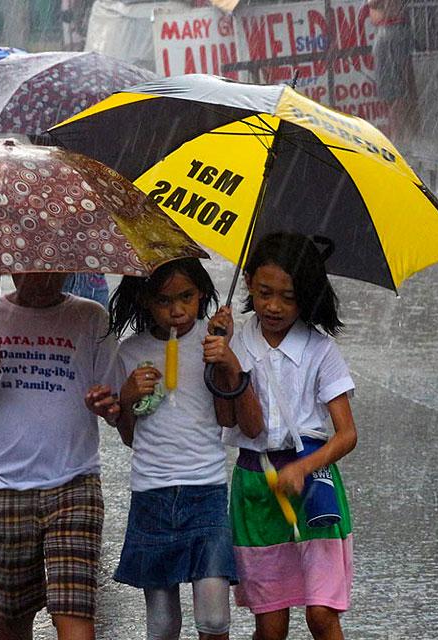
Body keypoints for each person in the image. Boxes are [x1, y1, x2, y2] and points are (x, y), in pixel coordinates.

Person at [84, 258, 259, 640]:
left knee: (214, 617)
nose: (177, 310)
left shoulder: (211, 344)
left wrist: (226, 362)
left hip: (206, 490)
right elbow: (129, 435)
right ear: (146, 300)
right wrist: (126, 397)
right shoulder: (131, 352)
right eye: (164, 301)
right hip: (152, 493)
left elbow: (228, 419)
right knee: (162, 623)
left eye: (187, 297)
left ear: (201, 295)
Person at [0, 272, 114, 640]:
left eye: (53, 270)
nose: (42, 279)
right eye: (32, 271)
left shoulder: (92, 318)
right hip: (5, 487)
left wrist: (108, 404)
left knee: (75, 611)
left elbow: (115, 404)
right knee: (13, 613)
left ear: (69, 268)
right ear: (12, 267)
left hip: (75, 482)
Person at [221, 232, 358, 640]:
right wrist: (225, 362)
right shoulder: (235, 342)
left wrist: (303, 467)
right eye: (265, 293)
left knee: (321, 613)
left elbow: (346, 434)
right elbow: (230, 419)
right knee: (271, 621)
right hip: (255, 487)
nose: (274, 306)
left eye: (288, 296)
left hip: (313, 486)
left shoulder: (320, 350)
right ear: (248, 283)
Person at [367, 0, 420, 144]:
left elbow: (373, 3)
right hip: (386, 29)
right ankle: (405, 136)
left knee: (397, 89)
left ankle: (402, 138)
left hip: (392, 30)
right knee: (393, 90)